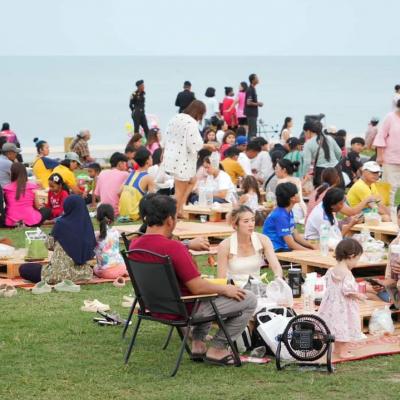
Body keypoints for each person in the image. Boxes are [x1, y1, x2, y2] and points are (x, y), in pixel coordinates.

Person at [129, 194, 257, 364]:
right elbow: (198, 288)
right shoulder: (173, 248)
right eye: (176, 217)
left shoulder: (135, 245)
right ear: (170, 220)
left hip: (154, 306)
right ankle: (218, 348)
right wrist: (226, 289)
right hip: (184, 309)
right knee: (249, 299)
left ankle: (198, 343)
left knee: (209, 291)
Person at [19, 195, 95, 284]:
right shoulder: (88, 226)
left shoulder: (61, 223)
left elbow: (49, 245)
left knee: (24, 268)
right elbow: (91, 251)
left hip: (58, 274)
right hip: (83, 274)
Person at [163, 100, 215, 216]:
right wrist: (207, 146)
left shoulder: (175, 118)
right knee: (179, 191)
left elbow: (166, 137)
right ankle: (173, 215)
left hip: (171, 157)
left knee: (192, 181)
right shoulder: (191, 123)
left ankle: (180, 209)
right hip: (183, 160)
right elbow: (195, 144)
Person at [318, 238, 366, 359]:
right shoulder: (347, 273)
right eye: (357, 260)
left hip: (331, 306)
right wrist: (359, 295)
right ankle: (344, 352)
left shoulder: (331, 270)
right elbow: (348, 291)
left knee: (336, 326)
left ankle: (337, 349)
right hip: (344, 307)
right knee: (345, 327)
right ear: (351, 256)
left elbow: (329, 285)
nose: (356, 263)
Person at [217, 206, 283, 287]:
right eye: (246, 221)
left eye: (253, 220)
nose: (251, 224)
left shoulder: (263, 240)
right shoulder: (225, 246)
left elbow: (276, 267)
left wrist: (278, 280)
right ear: (235, 225)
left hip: (257, 288)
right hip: (234, 290)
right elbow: (221, 278)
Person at [306, 167, 377, 221]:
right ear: (337, 178)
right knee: (350, 221)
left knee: (348, 220)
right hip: (321, 227)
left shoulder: (318, 190)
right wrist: (366, 200)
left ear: (322, 178)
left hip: (310, 223)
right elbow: (351, 212)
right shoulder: (332, 194)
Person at [262, 182, 317, 252]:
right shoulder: (280, 216)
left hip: (283, 247)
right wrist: (311, 252)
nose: (299, 195)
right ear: (292, 198)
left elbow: (296, 236)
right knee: (309, 254)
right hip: (276, 250)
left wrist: (311, 246)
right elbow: (291, 244)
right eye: (297, 193)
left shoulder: (288, 211)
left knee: (314, 248)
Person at [3, 163, 51, 227]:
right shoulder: (32, 187)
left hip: (11, 221)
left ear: (12, 173)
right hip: (30, 220)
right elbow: (37, 206)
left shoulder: (6, 188)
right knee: (47, 210)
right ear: (25, 173)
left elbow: (7, 204)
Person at [374, 99, 400, 205]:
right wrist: (379, 156)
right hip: (390, 159)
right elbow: (381, 136)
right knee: (390, 188)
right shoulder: (390, 117)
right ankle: (389, 212)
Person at [302, 120, 342, 187]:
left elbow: (307, 162)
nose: (305, 134)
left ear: (308, 131)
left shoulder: (308, 144)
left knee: (323, 192)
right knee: (338, 190)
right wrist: (335, 162)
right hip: (335, 169)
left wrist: (304, 175)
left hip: (321, 171)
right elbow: (339, 152)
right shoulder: (329, 138)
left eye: (304, 132)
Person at [119, 147, 155, 220]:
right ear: (147, 161)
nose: (152, 159)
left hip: (122, 213)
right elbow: (153, 200)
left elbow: (119, 192)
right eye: (151, 157)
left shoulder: (130, 174)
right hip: (135, 214)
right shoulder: (148, 177)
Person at [94, 204, 127, 279]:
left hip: (106, 272)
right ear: (112, 218)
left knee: (95, 267)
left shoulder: (96, 236)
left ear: (98, 218)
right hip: (122, 268)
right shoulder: (116, 232)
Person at [244, 73, 263, 138]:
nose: (258, 79)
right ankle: (251, 143)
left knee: (252, 130)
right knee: (253, 131)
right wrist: (258, 104)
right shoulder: (250, 89)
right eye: (256, 78)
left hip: (252, 113)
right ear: (253, 80)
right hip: (251, 113)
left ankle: (250, 142)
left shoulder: (253, 89)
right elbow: (248, 102)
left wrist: (257, 103)